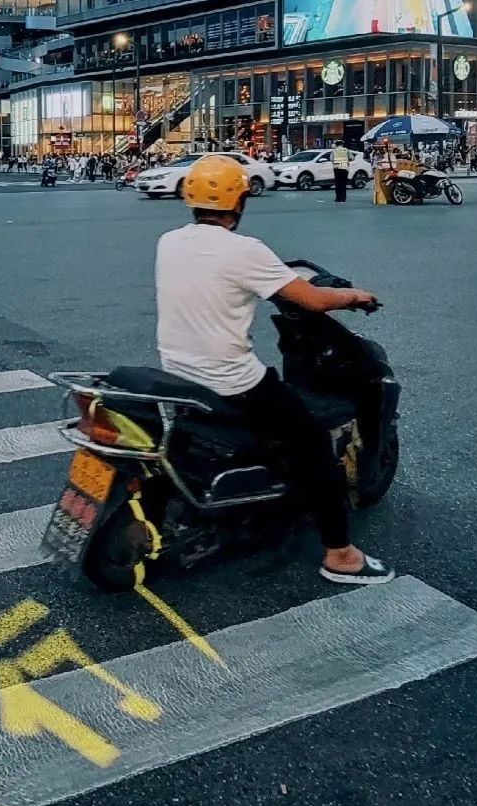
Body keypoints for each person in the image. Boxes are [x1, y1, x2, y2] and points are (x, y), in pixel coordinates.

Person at [155, 155, 394, 586]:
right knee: (313, 445)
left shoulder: (168, 241)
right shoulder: (245, 251)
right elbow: (314, 300)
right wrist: (356, 297)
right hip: (231, 381)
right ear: (239, 200)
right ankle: (340, 554)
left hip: (178, 372)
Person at [332, 139, 349, 203]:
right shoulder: (346, 150)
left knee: (337, 184)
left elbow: (331, 159)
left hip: (336, 168)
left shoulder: (334, 151)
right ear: (342, 144)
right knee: (343, 184)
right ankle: (343, 198)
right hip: (344, 168)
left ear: (336, 145)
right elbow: (352, 157)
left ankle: (338, 198)